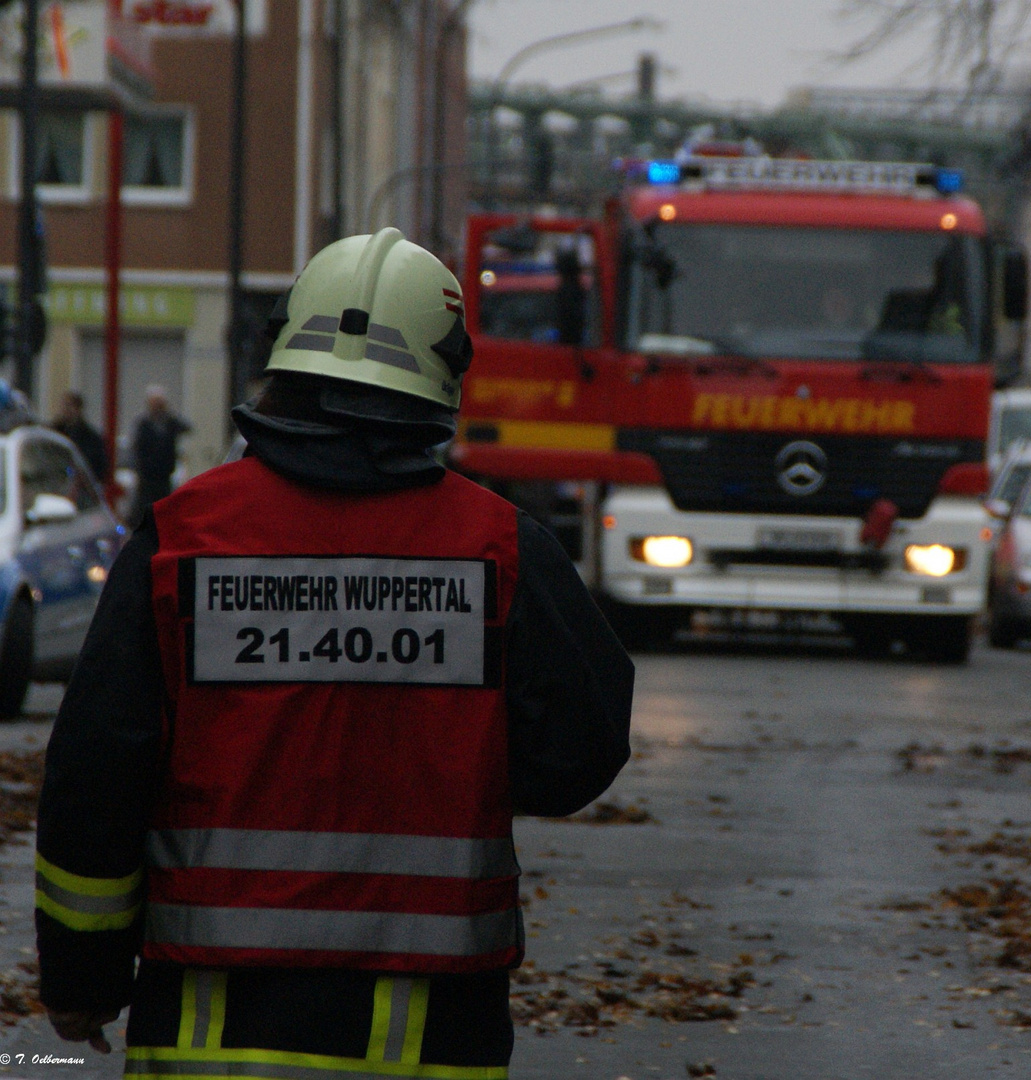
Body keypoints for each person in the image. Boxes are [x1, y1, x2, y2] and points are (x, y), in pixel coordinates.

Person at [35, 228, 634, 1076]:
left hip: (210, 1036)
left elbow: (96, 771)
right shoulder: (501, 549)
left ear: (284, 354)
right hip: (434, 1042)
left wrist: (83, 976)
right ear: (443, 373)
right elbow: (580, 753)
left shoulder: (182, 542)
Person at [128, 385, 190, 526]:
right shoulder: (142, 423)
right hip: (147, 476)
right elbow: (136, 446)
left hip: (164, 474)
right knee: (144, 508)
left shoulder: (170, 422)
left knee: (164, 508)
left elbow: (187, 427)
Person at [51, 390, 108, 482]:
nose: (65, 410)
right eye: (64, 406)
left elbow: (97, 465)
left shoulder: (90, 438)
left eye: (69, 406)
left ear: (78, 409)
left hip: (81, 486)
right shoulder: (54, 432)